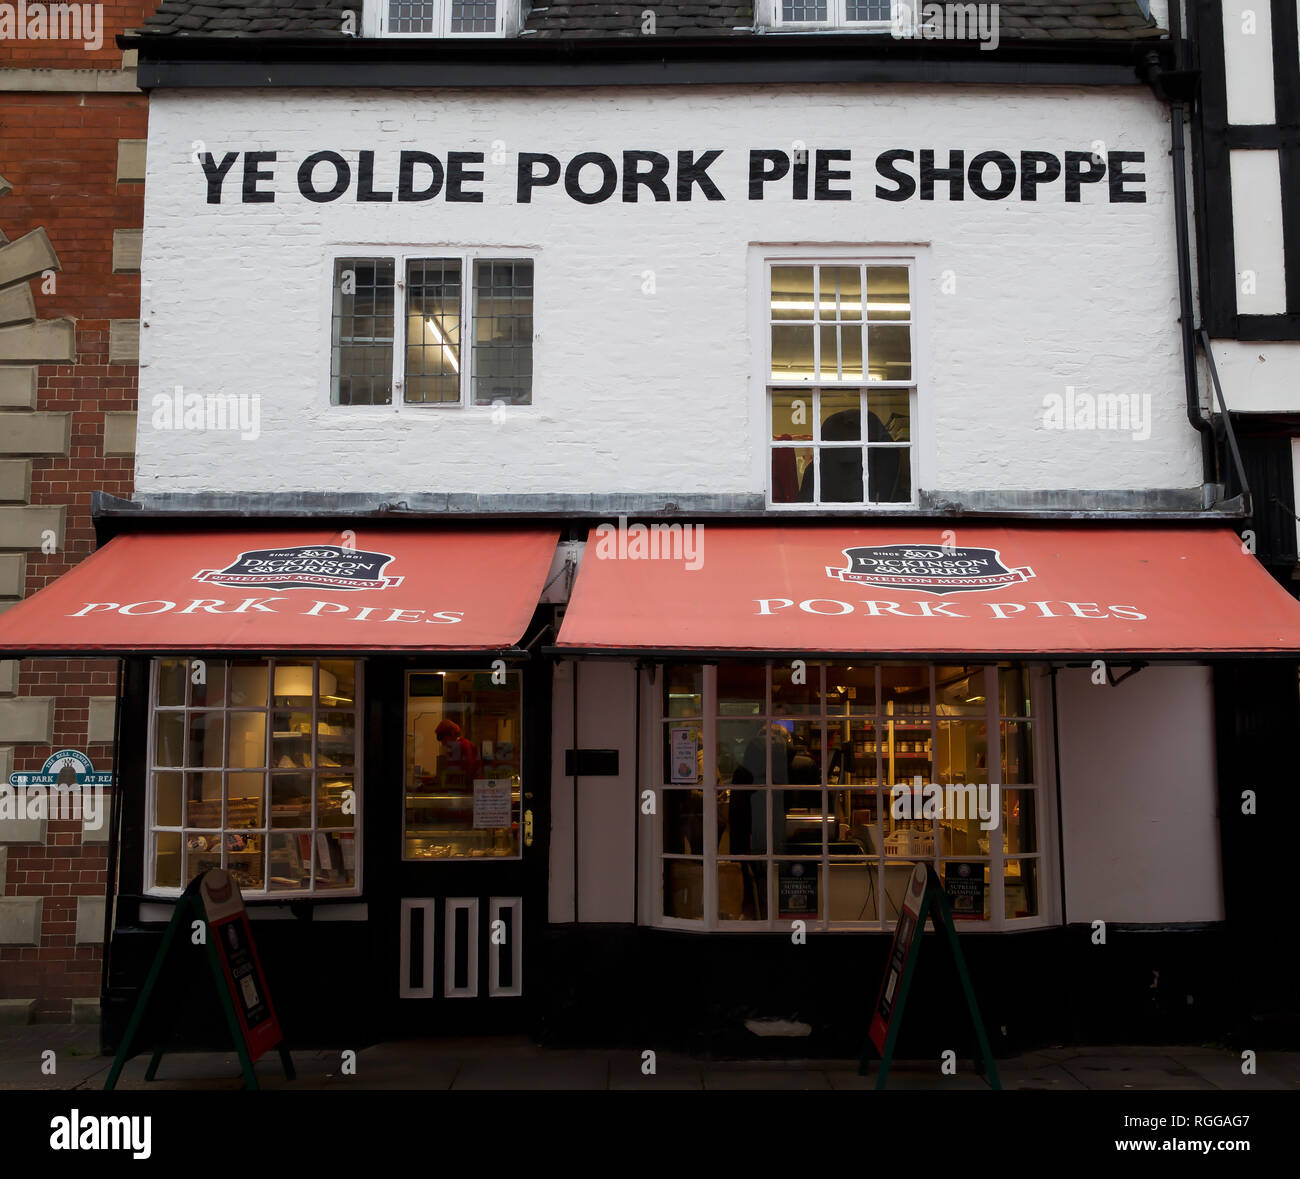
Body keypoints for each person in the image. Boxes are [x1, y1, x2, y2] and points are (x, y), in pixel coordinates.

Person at [435, 718, 481, 784]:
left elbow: (469, 769)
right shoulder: (454, 748)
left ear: (452, 734)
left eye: (444, 740)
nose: (443, 744)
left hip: (470, 786)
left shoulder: (464, 745)